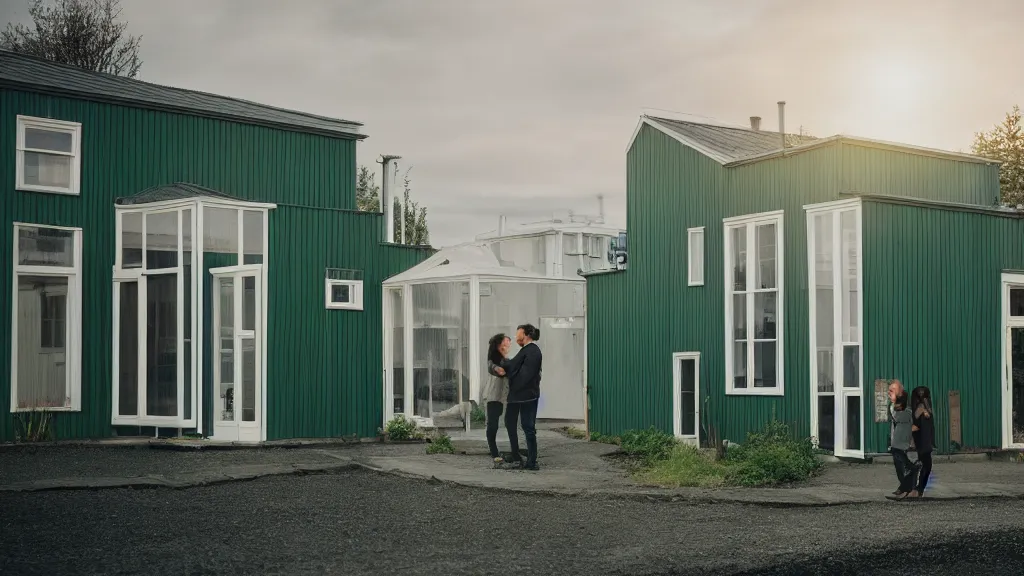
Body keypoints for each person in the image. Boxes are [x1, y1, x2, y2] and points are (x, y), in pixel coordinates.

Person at [499, 323, 543, 471]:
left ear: (526, 335)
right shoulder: (527, 351)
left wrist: (511, 379)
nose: (516, 337)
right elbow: (514, 366)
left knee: (528, 427)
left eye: (518, 334)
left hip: (526, 396)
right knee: (522, 425)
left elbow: (524, 374)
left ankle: (532, 461)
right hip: (525, 395)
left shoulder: (532, 351)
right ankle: (524, 458)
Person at [481, 333, 526, 465]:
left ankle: (515, 452)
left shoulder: (507, 360)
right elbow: (499, 371)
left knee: (511, 424)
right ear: (500, 344)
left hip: (507, 397)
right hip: (493, 396)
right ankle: (494, 452)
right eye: (507, 341)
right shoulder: (493, 361)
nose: (510, 342)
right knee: (493, 425)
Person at [888, 391, 918, 500]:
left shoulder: (907, 411)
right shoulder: (900, 411)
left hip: (902, 437)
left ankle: (906, 486)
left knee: (902, 461)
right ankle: (903, 487)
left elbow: (896, 415)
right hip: (897, 437)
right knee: (898, 464)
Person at [910, 386, 935, 498]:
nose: (921, 394)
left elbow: (929, 414)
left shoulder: (925, 403)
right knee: (926, 465)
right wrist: (923, 410)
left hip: (926, 441)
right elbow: (917, 417)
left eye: (923, 392)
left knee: (925, 465)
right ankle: (917, 489)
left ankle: (918, 489)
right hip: (922, 441)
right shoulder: (918, 406)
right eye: (919, 392)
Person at [887, 379, 906, 496]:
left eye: (893, 390)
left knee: (906, 465)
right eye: (889, 391)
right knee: (898, 465)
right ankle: (903, 486)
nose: (890, 393)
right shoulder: (892, 405)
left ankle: (908, 488)